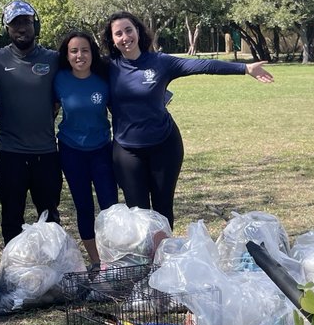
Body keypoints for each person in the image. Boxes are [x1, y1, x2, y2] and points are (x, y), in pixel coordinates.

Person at [102, 11, 274, 228]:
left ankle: (163, 257)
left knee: (163, 209)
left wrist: (245, 68)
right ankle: (146, 260)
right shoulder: (106, 67)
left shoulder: (160, 62)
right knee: (138, 213)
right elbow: (75, 64)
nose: (125, 37)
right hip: (127, 150)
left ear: (138, 31)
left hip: (164, 145)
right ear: (112, 39)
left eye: (129, 30)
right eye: (118, 33)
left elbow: (202, 66)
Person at [0, 0, 61, 245]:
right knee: (11, 218)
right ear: (7, 28)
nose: (21, 28)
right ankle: (13, 270)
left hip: (46, 153)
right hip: (11, 155)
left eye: (26, 21)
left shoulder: (54, 59)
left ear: (34, 24)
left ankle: (52, 269)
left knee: (49, 217)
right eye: (15, 23)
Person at [53, 30, 119, 266]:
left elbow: (123, 106)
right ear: (67, 55)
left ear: (92, 53)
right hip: (71, 150)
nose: (79, 55)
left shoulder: (104, 79)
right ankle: (96, 262)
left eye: (84, 50)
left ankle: (113, 258)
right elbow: (48, 110)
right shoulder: (59, 78)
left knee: (109, 205)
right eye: (74, 51)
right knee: (83, 205)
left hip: (101, 149)